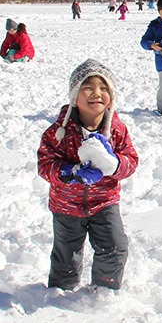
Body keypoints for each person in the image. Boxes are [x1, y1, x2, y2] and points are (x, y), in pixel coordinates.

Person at [37, 59, 139, 291]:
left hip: (104, 203)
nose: (96, 94)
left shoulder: (116, 130)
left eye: (104, 89)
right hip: (66, 205)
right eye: (88, 88)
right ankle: (60, 292)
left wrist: (114, 165)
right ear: (74, 96)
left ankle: (104, 291)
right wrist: (70, 173)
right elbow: (45, 164)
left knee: (114, 246)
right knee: (66, 254)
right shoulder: (58, 131)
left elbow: (131, 161)